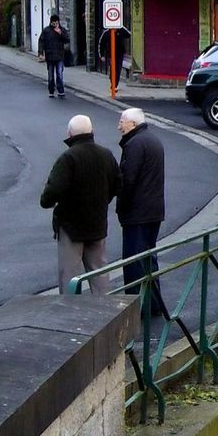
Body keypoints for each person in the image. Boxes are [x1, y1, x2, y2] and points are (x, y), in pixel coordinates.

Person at [39, 115, 119, 294]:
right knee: (99, 273)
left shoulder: (68, 158)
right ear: (91, 131)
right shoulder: (106, 154)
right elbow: (117, 184)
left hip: (71, 225)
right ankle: (105, 313)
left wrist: (47, 201)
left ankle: (71, 316)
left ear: (70, 133)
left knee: (70, 276)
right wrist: (103, 200)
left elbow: (52, 191)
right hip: (97, 223)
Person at [116, 108, 167, 310]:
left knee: (134, 262)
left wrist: (122, 207)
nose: (119, 126)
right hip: (153, 210)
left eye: (122, 122)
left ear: (133, 124)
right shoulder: (152, 140)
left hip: (137, 212)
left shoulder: (134, 144)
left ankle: (137, 307)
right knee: (148, 259)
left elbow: (128, 180)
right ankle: (153, 304)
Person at [37, 16, 70, 99]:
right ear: (51, 22)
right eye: (53, 23)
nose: (55, 24)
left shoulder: (62, 30)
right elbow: (41, 42)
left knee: (59, 74)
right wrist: (40, 53)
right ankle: (51, 90)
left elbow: (67, 40)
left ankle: (61, 91)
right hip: (50, 56)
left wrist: (60, 33)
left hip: (59, 56)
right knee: (51, 75)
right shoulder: (46, 31)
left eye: (56, 22)